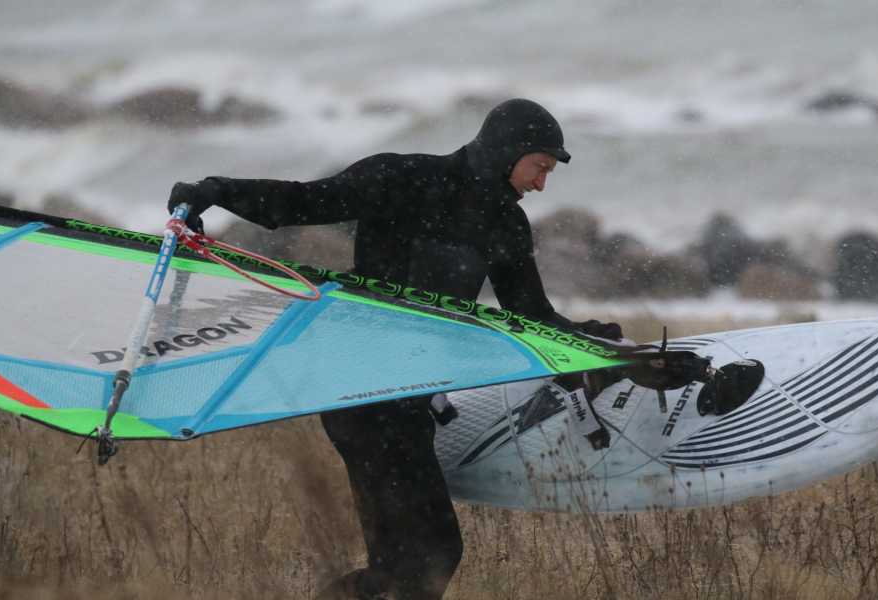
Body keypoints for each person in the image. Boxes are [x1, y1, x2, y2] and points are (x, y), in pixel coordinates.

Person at [167, 98, 625, 599]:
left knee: (400, 566)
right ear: (507, 151)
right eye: (539, 167)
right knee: (430, 554)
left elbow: (532, 316)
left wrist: (591, 337)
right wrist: (214, 191)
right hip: (359, 391)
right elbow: (301, 203)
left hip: (409, 399)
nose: (541, 184)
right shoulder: (403, 179)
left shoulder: (505, 225)